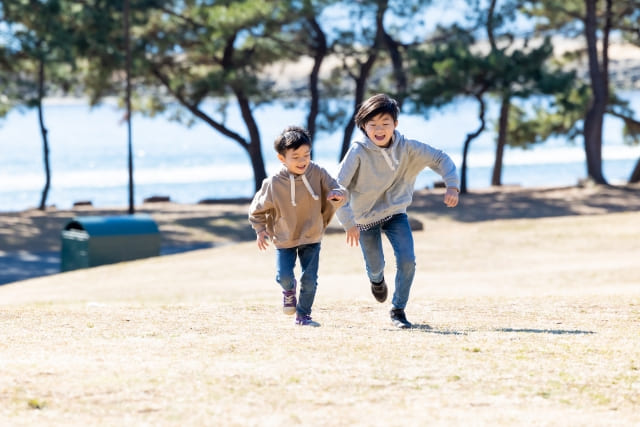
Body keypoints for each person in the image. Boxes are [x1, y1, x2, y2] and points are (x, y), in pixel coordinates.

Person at [335, 94, 459, 329]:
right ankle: (377, 281)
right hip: (364, 216)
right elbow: (337, 188)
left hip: (395, 212)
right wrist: (347, 221)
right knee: (375, 265)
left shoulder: (407, 148)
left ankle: (398, 310)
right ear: (363, 126)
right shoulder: (358, 151)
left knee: (407, 260)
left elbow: (439, 158)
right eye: (372, 125)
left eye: (385, 124)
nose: (379, 130)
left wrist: (451, 184)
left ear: (395, 124)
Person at [249, 126, 347, 327]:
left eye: (306, 155)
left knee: (310, 280)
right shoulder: (274, 182)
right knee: (284, 276)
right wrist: (260, 230)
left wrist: (337, 194)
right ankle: (288, 289)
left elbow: (337, 187)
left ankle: (303, 315)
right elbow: (258, 208)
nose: (303, 160)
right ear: (282, 158)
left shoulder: (317, 172)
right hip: (284, 237)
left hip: (312, 235)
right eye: (296, 156)